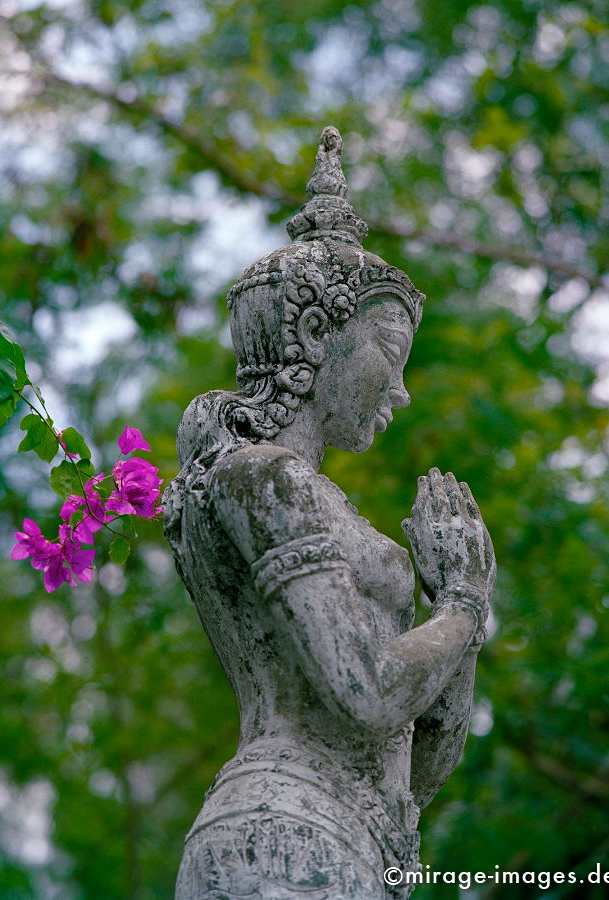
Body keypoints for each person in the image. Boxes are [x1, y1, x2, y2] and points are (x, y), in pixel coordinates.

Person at [163, 127, 496, 900]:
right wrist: (463, 607)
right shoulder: (258, 479)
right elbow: (369, 690)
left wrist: (458, 604)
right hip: (282, 830)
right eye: (388, 349)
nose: (402, 391)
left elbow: (418, 766)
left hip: (356, 842)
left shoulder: (296, 494)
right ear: (318, 334)